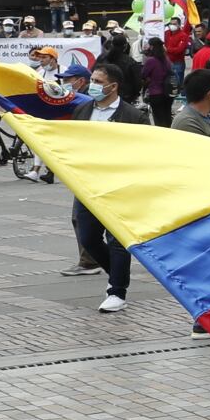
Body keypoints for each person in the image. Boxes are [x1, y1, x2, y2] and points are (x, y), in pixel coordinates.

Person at [71, 65, 151, 312]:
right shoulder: (82, 110)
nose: (92, 85)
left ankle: (117, 291)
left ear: (113, 86)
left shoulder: (133, 116)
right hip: (87, 185)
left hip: (120, 186)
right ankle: (116, 273)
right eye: (92, 80)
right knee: (88, 238)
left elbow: (146, 152)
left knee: (117, 239)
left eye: (97, 81)